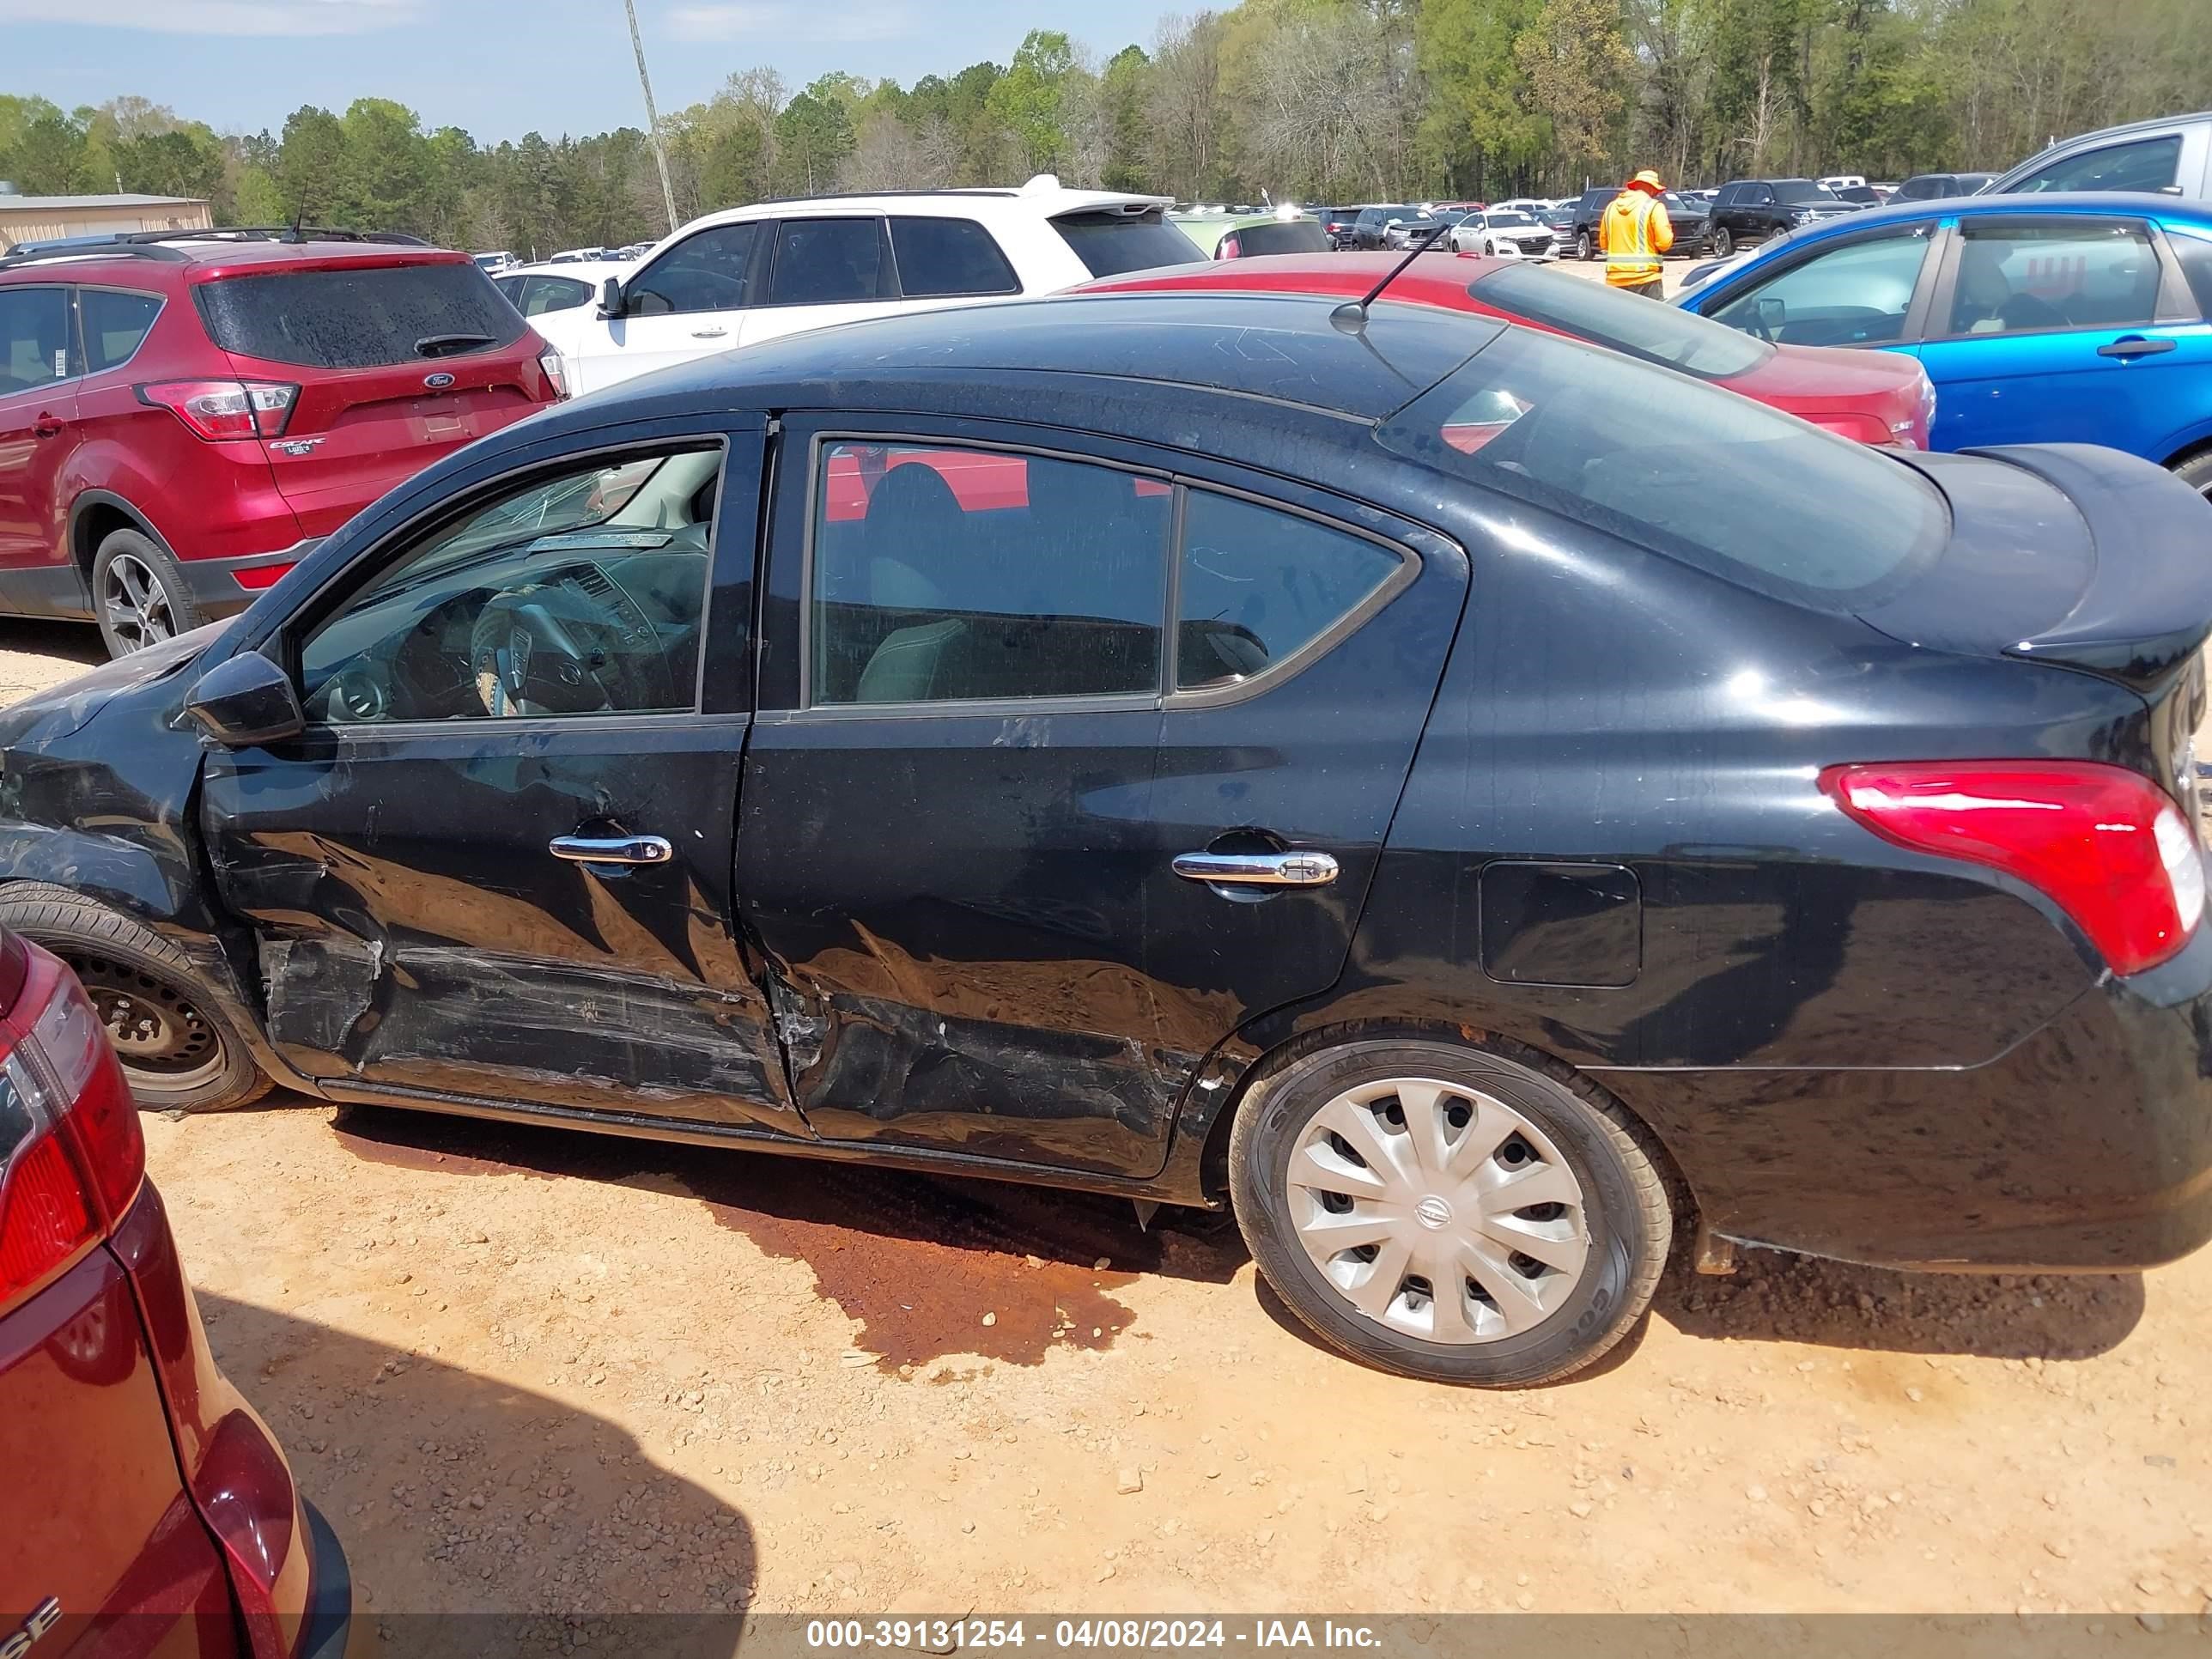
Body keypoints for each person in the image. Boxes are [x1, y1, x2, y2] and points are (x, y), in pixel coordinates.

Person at [1600, 170, 1673, 296]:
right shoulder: (1654, 207)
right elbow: (1664, 243)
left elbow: (1603, 244)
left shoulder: (1611, 208)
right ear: (1651, 188)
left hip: (1615, 281)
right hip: (1646, 280)